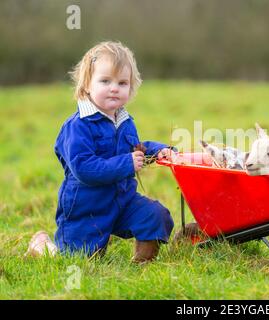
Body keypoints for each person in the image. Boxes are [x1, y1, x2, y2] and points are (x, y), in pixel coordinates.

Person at [26, 41, 176, 263]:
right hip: (87, 207)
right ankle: (42, 246)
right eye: (105, 81)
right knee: (79, 259)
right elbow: (84, 168)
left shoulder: (124, 120)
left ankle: (143, 264)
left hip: (122, 201)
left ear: (131, 88)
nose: (114, 88)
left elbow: (135, 148)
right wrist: (126, 164)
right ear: (87, 84)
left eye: (122, 83)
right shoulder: (77, 126)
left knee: (155, 216)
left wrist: (160, 150)